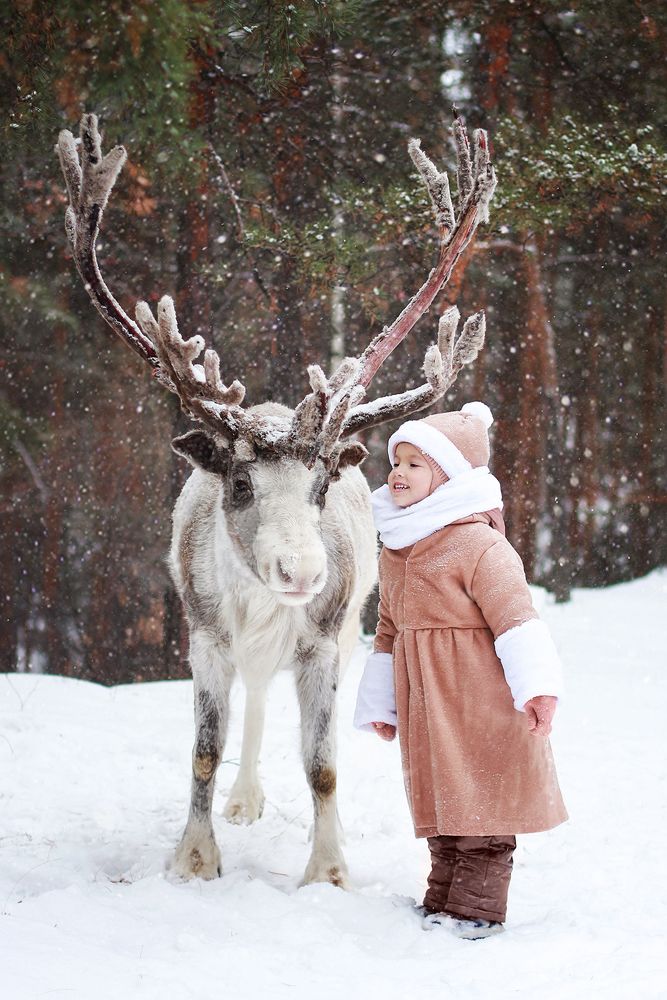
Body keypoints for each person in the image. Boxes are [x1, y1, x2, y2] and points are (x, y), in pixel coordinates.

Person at [354, 401, 567, 940]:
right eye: (395, 462)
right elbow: (387, 630)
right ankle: (443, 902)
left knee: (483, 813)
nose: (397, 473)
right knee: (445, 807)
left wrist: (537, 688)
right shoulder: (398, 548)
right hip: (429, 703)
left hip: (479, 700)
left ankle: (473, 914)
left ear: (449, 477)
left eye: (414, 464)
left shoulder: (478, 544)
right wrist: (382, 703)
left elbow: (517, 619)